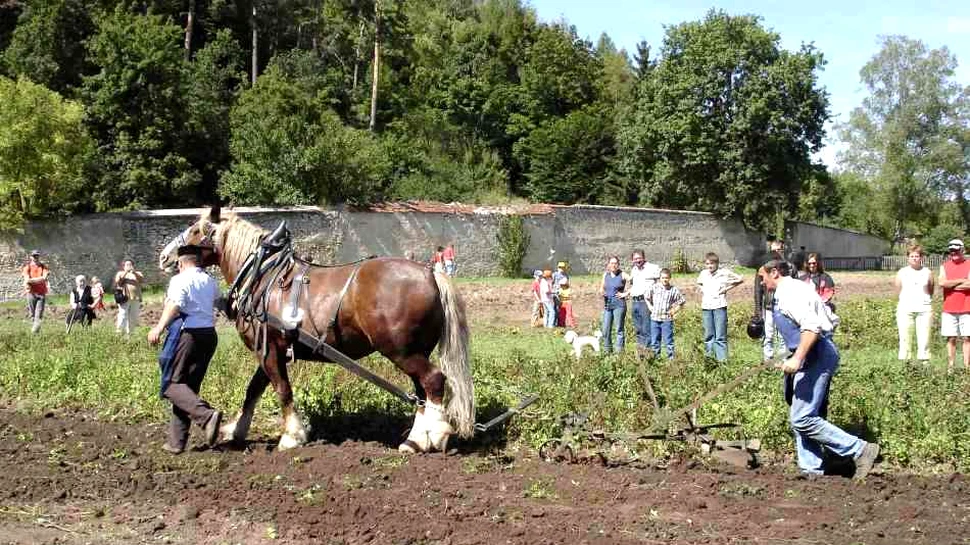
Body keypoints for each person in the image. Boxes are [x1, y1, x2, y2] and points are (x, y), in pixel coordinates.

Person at [759, 259, 880, 478]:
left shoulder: (790, 292)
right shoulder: (792, 290)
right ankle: (811, 468)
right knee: (803, 412)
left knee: (802, 418)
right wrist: (792, 353)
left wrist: (797, 358)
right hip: (812, 353)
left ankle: (860, 449)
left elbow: (812, 328)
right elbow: (825, 320)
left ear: (774, 272)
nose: (761, 282)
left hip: (816, 355)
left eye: (762, 277)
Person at [147, 245, 223, 455]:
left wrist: (159, 327)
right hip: (209, 336)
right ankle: (176, 442)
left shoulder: (179, 280)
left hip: (188, 334)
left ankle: (207, 416)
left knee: (171, 385)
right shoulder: (210, 281)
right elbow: (220, 303)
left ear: (181, 263)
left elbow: (175, 304)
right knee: (187, 389)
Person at [755, 239, 798, 360]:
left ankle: (782, 361)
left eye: (778, 250)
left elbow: (795, 288)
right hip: (768, 306)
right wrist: (757, 310)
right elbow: (757, 290)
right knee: (768, 335)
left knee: (783, 335)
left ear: (783, 251)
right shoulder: (763, 269)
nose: (775, 253)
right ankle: (768, 360)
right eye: (773, 250)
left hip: (784, 307)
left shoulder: (790, 268)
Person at [697, 252, 743, 362]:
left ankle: (722, 361)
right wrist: (702, 290)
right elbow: (698, 283)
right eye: (707, 264)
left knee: (720, 336)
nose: (710, 266)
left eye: (712, 264)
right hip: (706, 307)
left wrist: (726, 289)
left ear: (717, 264)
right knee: (709, 335)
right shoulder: (704, 274)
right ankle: (710, 360)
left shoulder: (723, 273)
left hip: (719, 307)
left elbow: (740, 279)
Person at [895, 245, 934, 364]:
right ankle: (906, 363)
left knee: (924, 337)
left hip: (924, 309)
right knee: (905, 336)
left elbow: (931, 289)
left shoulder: (927, 272)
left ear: (921, 257)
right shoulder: (902, 272)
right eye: (912, 256)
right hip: (905, 309)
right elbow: (898, 289)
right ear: (908, 258)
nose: (914, 258)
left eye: (917, 256)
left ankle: (924, 362)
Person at [938, 239, 970, 372]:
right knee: (951, 338)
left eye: (956, 250)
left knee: (967, 337)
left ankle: (967, 366)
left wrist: (951, 284)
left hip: (967, 308)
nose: (954, 253)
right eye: (951, 251)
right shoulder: (944, 266)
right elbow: (942, 283)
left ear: (962, 250)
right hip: (949, 309)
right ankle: (951, 366)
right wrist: (962, 280)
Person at [625, 249, 661, 357]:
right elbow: (634, 285)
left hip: (645, 303)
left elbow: (662, 280)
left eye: (639, 258)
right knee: (638, 330)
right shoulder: (634, 270)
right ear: (632, 260)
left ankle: (649, 355)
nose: (637, 260)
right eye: (635, 259)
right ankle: (641, 354)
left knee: (646, 329)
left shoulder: (653, 268)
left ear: (644, 258)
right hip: (635, 302)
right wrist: (626, 293)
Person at [646, 268, 686, 360]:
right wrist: (650, 307)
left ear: (670, 278)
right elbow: (646, 297)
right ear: (660, 278)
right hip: (655, 319)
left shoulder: (673, 290)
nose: (665, 279)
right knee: (655, 340)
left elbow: (682, 301)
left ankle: (670, 360)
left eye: (667, 278)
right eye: (663, 277)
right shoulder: (654, 287)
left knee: (668, 341)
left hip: (666, 319)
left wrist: (674, 311)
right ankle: (656, 359)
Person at [600, 256, 629, 354]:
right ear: (608, 264)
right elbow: (602, 288)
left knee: (619, 329)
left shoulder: (623, 274)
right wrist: (602, 292)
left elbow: (635, 283)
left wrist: (626, 293)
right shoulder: (605, 275)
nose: (613, 265)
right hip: (608, 305)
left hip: (619, 305)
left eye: (615, 263)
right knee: (605, 329)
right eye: (612, 263)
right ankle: (607, 351)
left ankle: (619, 353)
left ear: (618, 264)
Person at [21, 249, 50, 334]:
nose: (36, 257)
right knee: (32, 314)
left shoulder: (43, 267)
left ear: (39, 257)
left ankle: (35, 332)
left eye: (37, 256)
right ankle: (34, 333)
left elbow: (44, 278)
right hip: (31, 293)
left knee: (39, 314)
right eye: (34, 256)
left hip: (41, 293)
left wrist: (31, 280)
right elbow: (27, 279)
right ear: (31, 257)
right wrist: (39, 280)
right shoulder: (27, 267)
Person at [114, 258, 145, 337]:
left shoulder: (137, 273)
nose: (129, 266)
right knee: (123, 314)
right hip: (125, 297)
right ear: (123, 266)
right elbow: (118, 281)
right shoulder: (120, 273)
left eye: (130, 264)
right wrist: (125, 272)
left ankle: (130, 334)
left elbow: (141, 280)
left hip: (135, 298)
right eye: (127, 265)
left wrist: (134, 272)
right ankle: (119, 332)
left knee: (133, 316)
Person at [552, 261, 570, 326]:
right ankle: (554, 323)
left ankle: (560, 323)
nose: (561, 269)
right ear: (558, 268)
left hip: (563, 294)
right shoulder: (554, 275)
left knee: (561, 309)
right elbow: (551, 283)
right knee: (555, 309)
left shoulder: (566, 275)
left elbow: (568, 285)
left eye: (563, 268)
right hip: (555, 294)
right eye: (560, 267)